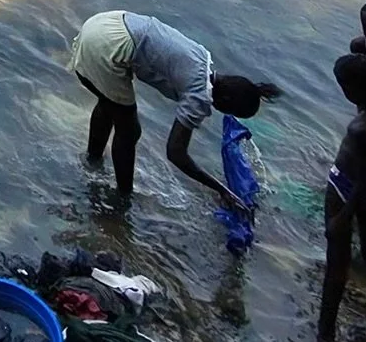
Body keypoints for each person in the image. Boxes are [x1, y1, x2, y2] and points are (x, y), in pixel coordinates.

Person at [70, 11, 280, 207]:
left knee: (109, 104)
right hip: (107, 46)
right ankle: (123, 199)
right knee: (129, 130)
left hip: (105, 23)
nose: (221, 112)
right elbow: (175, 153)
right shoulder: (199, 95)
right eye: (228, 110)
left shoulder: (201, 57)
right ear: (225, 100)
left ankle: (92, 162)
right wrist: (220, 189)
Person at [317, 53, 366, 342]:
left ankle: (324, 336)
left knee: (336, 266)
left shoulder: (364, 128)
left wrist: (343, 216)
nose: (342, 91)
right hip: (349, 189)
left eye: (344, 85)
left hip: (347, 192)